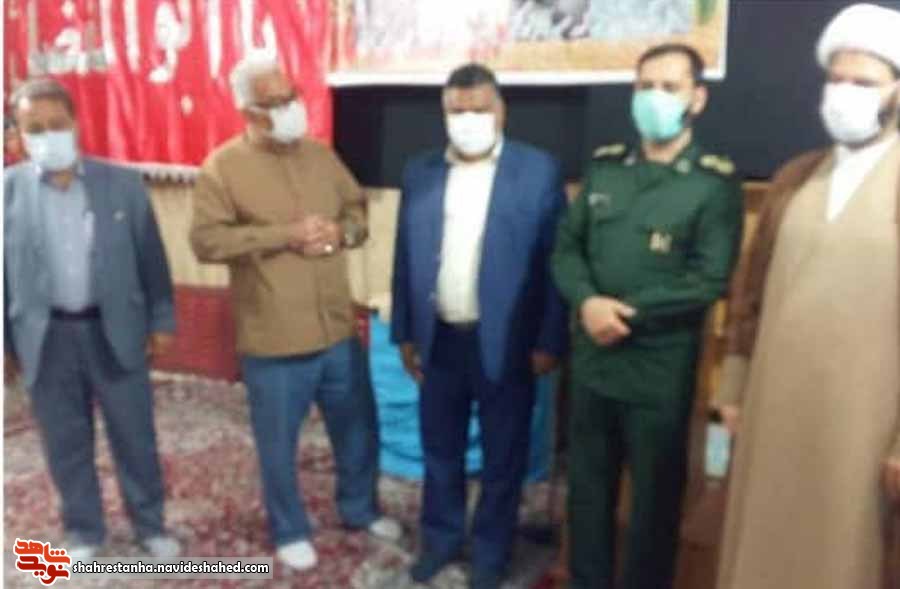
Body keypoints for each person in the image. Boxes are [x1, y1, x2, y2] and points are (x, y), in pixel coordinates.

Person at [189, 51, 401, 571]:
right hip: (275, 338)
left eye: (292, 97)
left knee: (358, 430)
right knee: (278, 445)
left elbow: (356, 212)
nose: (289, 108)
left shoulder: (320, 156)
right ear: (248, 112)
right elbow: (207, 242)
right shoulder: (223, 168)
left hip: (336, 328)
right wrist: (283, 236)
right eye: (275, 102)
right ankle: (289, 530)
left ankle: (360, 509)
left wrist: (340, 233)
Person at [715, 4, 900, 588]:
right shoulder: (796, 175)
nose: (844, 93)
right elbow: (750, 291)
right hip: (772, 403)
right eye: (836, 79)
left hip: (864, 420)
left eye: (863, 82)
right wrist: (734, 385)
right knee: (764, 540)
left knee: (844, 551)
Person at [551, 44, 743, 589]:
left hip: (658, 372)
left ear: (696, 99)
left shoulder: (712, 183)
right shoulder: (606, 168)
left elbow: (708, 279)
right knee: (587, 494)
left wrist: (627, 314)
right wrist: (588, 302)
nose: (654, 97)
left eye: (669, 87)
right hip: (593, 362)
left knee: (654, 508)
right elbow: (567, 250)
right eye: (644, 86)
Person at [390, 63, 568, 589]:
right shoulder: (420, 171)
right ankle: (441, 540)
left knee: (502, 457)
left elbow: (557, 264)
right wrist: (405, 332)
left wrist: (549, 339)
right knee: (440, 451)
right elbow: (404, 257)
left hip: (509, 343)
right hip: (440, 338)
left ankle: (491, 553)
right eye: (456, 111)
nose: (467, 120)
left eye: (478, 110)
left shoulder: (537, 171)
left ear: (501, 111)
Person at [3, 78, 179, 559]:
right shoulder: (7, 192)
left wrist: (161, 320)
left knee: (134, 434)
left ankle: (150, 525)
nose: (48, 136)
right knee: (65, 441)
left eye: (56, 124)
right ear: (17, 135)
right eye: (34, 128)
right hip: (45, 338)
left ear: (76, 123)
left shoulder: (122, 186)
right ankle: (84, 530)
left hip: (114, 330)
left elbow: (152, 260)